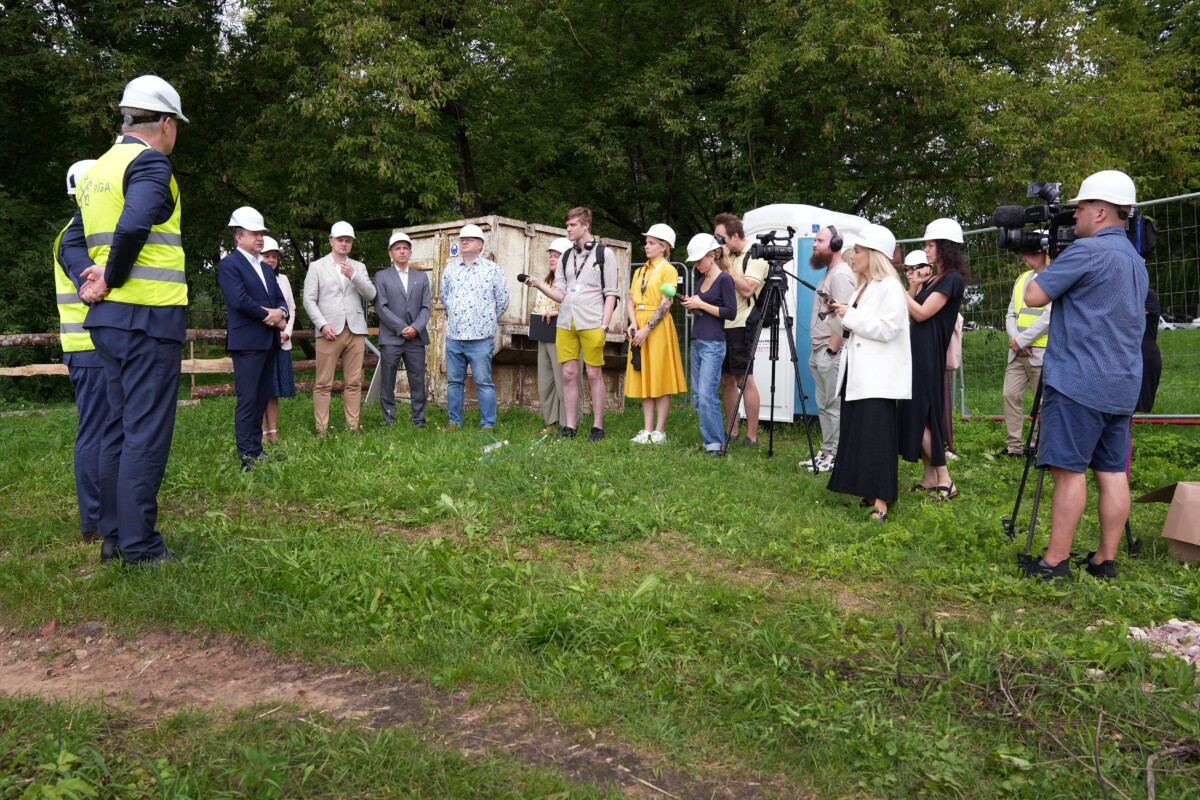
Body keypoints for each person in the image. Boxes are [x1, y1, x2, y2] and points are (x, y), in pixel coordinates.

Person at [61, 75, 190, 566]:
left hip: (107, 325)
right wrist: (110, 277)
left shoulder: (96, 172)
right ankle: (141, 548)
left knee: (117, 428)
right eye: (176, 124)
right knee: (145, 432)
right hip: (148, 318)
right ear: (164, 122)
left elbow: (70, 242)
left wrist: (89, 280)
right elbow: (135, 224)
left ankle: (114, 538)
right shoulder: (150, 162)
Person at [1022, 170, 1149, 581]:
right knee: (1112, 472)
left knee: (1068, 471)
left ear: (1099, 211)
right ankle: (1103, 560)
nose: (1073, 216)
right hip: (1122, 382)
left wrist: (1043, 265)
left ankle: (1055, 562)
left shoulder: (1086, 252)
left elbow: (1034, 296)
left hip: (1078, 379)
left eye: (1079, 208)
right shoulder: (1136, 260)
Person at [823, 226, 912, 522]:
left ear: (874, 255)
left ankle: (882, 501)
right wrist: (838, 314)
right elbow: (852, 330)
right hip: (859, 374)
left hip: (877, 377)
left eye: (858, 252)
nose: (852, 257)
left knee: (877, 438)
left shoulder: (889, 286)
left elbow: (888, 329)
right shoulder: (864, 287)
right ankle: (867, 490)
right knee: (860, 434)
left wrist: (852, 315)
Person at [525, 208, 619, 441]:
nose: (568, 229)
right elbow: (560, 294)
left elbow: (612, 294)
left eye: (572, 225)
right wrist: (538, 285)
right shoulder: (567, 256)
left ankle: (597, 427)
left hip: (592, 321)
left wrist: (605, 326)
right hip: (566, 322)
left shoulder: (604, 254)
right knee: (568, 374)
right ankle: (570, 426)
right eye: (567, 225)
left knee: (594, 373)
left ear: (585, 226)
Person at [54, 159, 108, 550]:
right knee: (94, 432)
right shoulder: (79, 236)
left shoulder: (75, 233)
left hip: (89, 346)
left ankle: (104, 514)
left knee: (103, 430)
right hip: (89, 347)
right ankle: (93, 519)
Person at [897, 217, 967, 501]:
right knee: (920, 415)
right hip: (917, 352)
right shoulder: (936, 278)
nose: (925, 250)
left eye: (930, 244)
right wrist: (912, 286)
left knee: (921, 414)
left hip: (928, 354)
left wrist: (897, 289)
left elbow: (922, 313)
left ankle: (945, 479)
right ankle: (929, 478)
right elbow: (911, 308)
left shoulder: (952, 280)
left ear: (945, 247)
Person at [217, 207, 288, 469]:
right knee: (248, 399)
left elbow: (279, 298)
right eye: (254, 234)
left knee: (261, 397)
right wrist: (268, 316)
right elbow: (239, 300)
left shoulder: (266, 267)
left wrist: (281, 312)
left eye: (261, 234)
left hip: (268, 340)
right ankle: (247, 455)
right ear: (239, 237)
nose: (260, 238)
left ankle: (257, 450)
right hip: (247, 342)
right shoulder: (229, 265)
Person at [303, 221, 376, 435]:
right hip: (328, 330)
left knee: (354, 382)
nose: (344, 243)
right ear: (331, 241)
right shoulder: (317, 266)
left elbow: (371, 294)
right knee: (323, 382)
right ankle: (322, 428)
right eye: (340, 240)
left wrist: (354, 275)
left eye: (348, 240)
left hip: (355, 329)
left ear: (351, 243)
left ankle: (353, 426)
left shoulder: (358, 267)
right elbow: (308, 300)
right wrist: (322, 324)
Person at [439, 223, 509, 430]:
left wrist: (485, 320)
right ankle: (454, 422)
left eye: (469, 239)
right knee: (454, 382)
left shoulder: (493, 270)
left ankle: (488, 424)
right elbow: (445, 297)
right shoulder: (450, 269)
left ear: (480, 245)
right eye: (462, 239)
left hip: (480, 337)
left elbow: (503, 300)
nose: (464, 242)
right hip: (454, 336)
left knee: (483, 382)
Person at [626, 224, 687, 443]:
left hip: (657, 327)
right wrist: (633, 323)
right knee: (644, 374)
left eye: (651, 243)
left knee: (660, 374)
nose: (646, 246)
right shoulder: (640, 270)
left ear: (664, 247)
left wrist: (646, 328)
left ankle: (660, 431)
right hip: (639, 323)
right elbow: (631, 299)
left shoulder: (668, 270)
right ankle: (647, 429)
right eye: (647, 242)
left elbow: (666, 303)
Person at [713, 213, 769, 447]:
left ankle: (752, 436)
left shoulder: (756, 255)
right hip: (723, 323)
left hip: (743, 323)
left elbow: (747, 290)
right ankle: (732, 430)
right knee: (726, 379)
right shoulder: (728, 254)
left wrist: (726, 268)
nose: (719, 242)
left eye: (721, 237)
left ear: (735, 236)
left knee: (744, 379)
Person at [804, 224, 856, 471]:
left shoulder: (841, 275)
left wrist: (831, 351)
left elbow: (844, 319)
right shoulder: (829, 272)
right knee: (824, 406)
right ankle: (826, 453)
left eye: (820, 240)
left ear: (835, 244)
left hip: (829, 351)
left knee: (832, 406)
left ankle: (835, 456)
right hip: (820, 351)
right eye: (815, 240)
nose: (814, 244)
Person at [679, 234, 736, 454]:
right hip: (698, 341)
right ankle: (709, 440)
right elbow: (703, 311)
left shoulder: (725, 279)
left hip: (713, 343)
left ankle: (716, 443)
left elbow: (730, 313)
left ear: (712, 256)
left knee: (706, 394)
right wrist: (693, 307)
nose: (696, 265)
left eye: (698, 260)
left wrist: (701, 303)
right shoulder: (701, 281)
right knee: (698, 395)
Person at [997, 243, 1051, 457]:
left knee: (1043, 404)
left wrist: (1023, 341)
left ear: (1044, 252)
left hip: (1041, 351)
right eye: (1023, 253)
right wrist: (1016, 340)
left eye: (1031, 252)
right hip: (1018, 351)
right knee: (1009, 394)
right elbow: (1012, 313)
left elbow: (1049, 317)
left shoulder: (1056, 276)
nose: (1025, 257)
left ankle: (1036, 446)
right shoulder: (1022, 278)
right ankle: (1014, 447)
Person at [374, 231, 432, 428]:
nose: (401, 252)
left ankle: (419, 421)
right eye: (397, 248)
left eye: (405, 248)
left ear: (410, 252)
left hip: (416, 338)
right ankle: (389, 420)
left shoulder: (421, 277)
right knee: (388, 381)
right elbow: (381, 307)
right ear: (390, 253)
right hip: (391, 337)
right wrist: (401, 328)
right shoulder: (382, 276)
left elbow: (426, 307)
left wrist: (415, 328)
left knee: (417, 380)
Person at [528, 237, 570, 434]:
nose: (552, 259)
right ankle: (550, 423)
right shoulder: (545, 281)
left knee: (564, 382)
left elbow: (578, 305)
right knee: (546, 381)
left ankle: (568, 423)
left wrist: (557, 313)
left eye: (557, 256)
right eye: (551, 256)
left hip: (564, 335)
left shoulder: (572, 281)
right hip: (544, 334)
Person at [260, 236, 296, 442]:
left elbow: (291, 308)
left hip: (281, 340)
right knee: (260, 387)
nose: (271, 260)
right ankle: (261, 431)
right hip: (262, 338)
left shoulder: (283, 280)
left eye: (274, 256)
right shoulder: (254, 277)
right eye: (267, 256)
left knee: (273, 389)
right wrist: (276, 324)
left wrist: (287, 331)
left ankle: (273, 430)